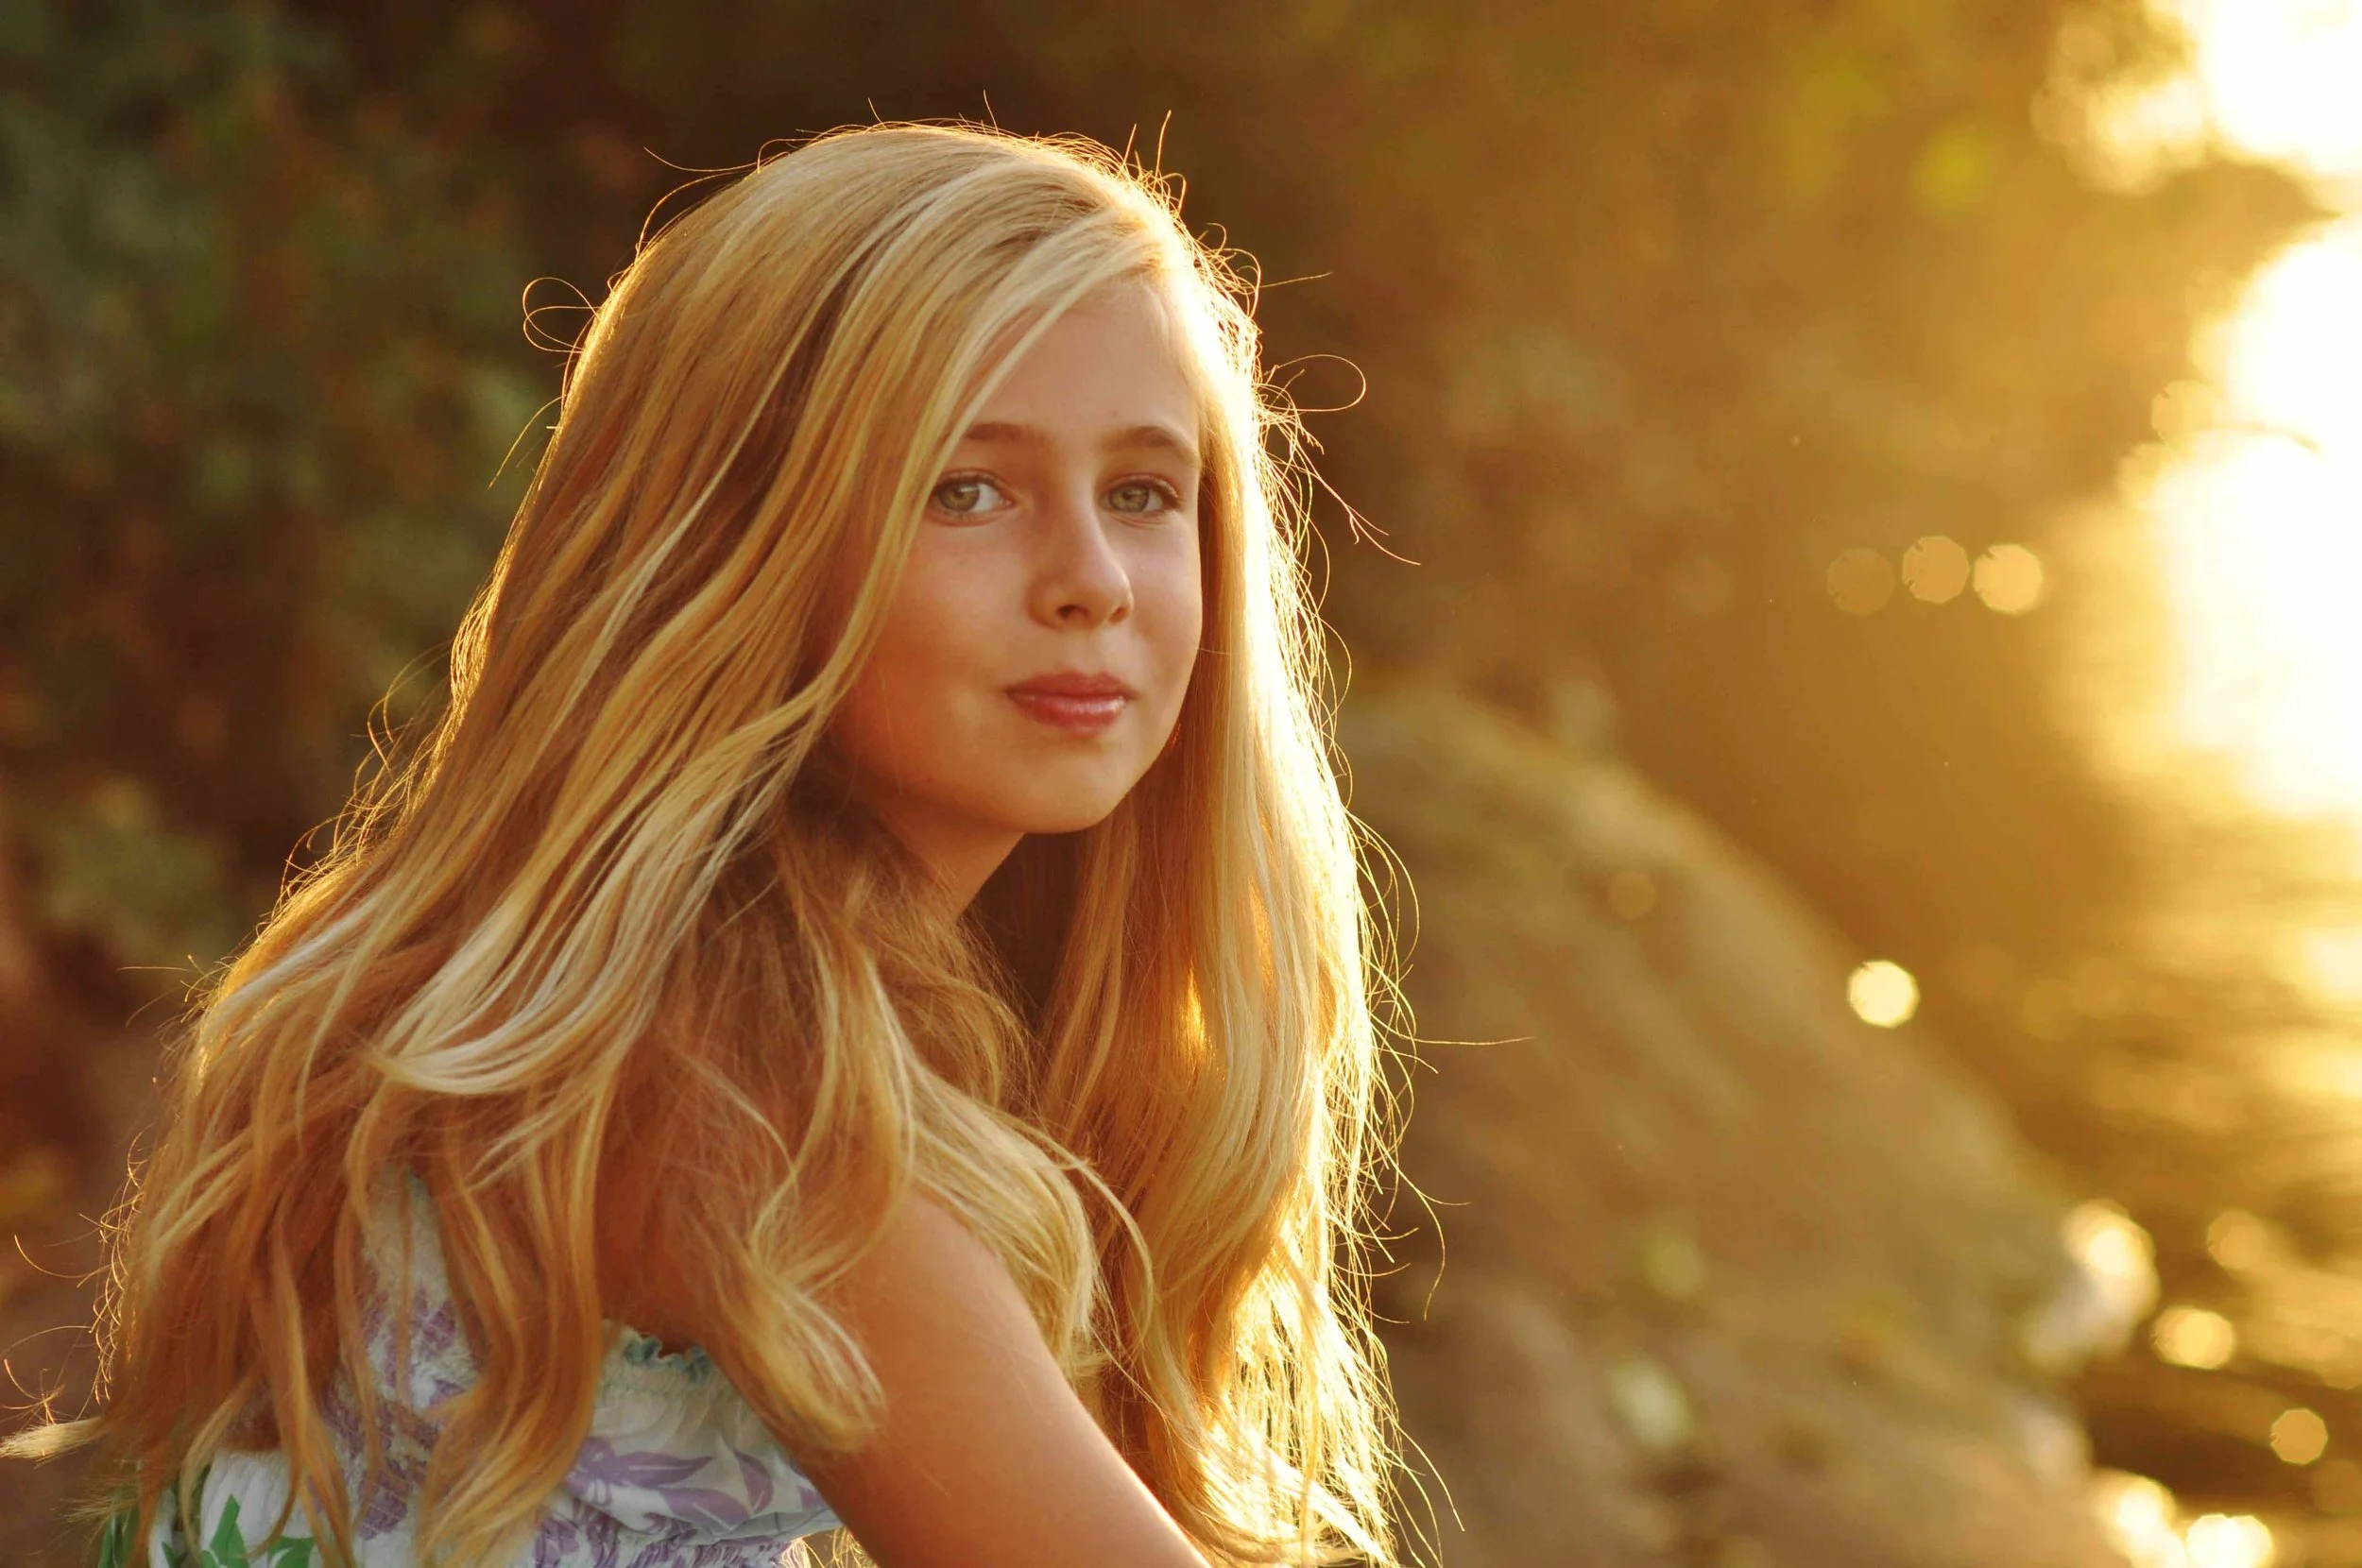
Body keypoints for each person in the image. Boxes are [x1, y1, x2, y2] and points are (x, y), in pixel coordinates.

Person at [9, 123, 1403, 1568]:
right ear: (737, 538)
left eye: (1142, 492)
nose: (1092, 583)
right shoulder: (750, 1101)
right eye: (965, 488)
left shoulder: (656, 995)